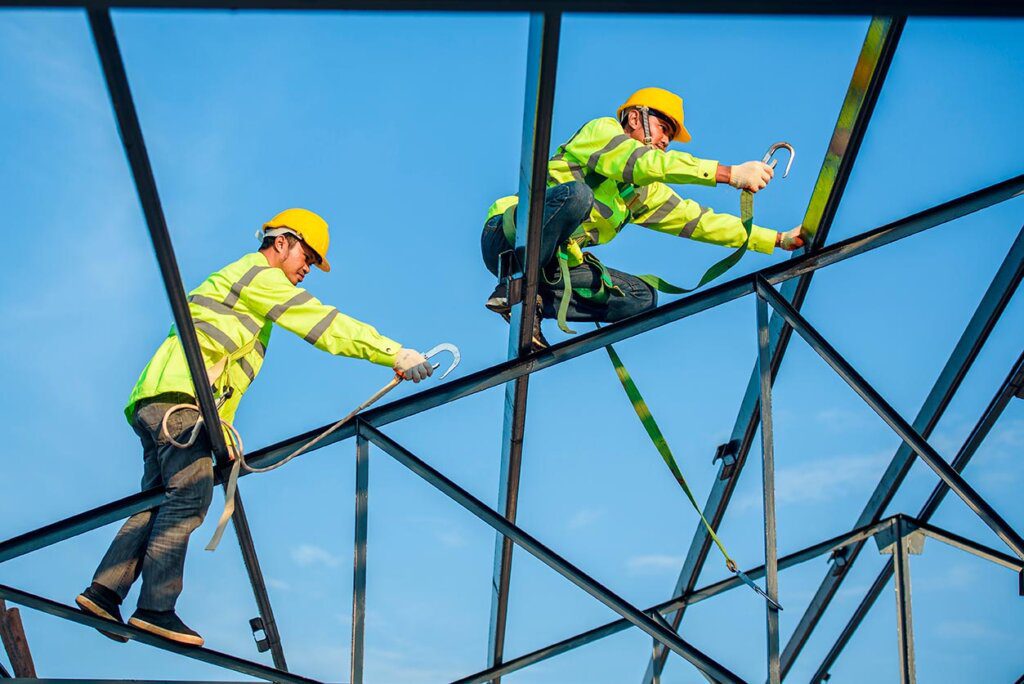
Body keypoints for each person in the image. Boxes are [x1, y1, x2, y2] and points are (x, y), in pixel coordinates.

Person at [75, 208, 434, 647]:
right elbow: (324, 325)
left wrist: (222, 436)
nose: (308, 268)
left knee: (157, 500)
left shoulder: (242, 285)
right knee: (189, 496)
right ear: (281, 242)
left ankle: (104, 592)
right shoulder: (260, 278)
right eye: (308, 254)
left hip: (160, 397)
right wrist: (393, 352)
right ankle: (155, 608)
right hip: (181, 400)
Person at [481, 87, 805, 348]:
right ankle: (517, 288)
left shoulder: (643, 193)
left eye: (670, 135)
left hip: (552, 264)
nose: (665, 140)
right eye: (664, 128)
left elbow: (698, 221)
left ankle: (531, 301)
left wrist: (778, 240)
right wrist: (728, 173)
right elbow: (643, 163)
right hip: (507, 238)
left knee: (641, 297)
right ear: (635, 118)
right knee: (578, 196)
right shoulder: (602, 132)